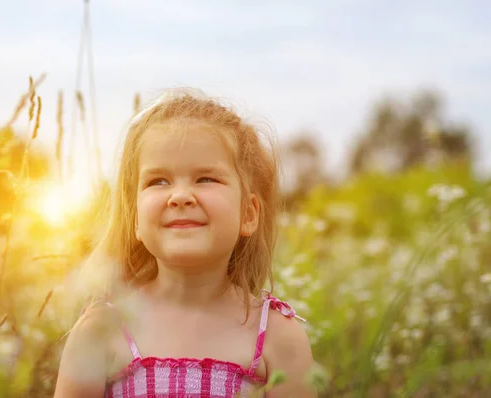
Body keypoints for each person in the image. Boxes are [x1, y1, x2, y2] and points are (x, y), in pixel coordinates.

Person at [54, 90, 315, 397]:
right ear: (136, 218)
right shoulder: (101, 331)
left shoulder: (277, 338)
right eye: (158, 181)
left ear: (248, 213)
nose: (179, 196)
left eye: (206, 179)